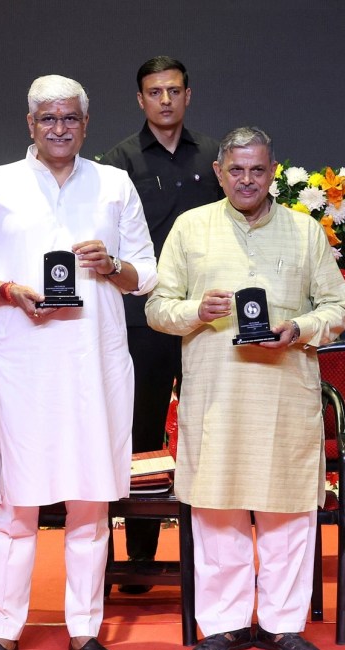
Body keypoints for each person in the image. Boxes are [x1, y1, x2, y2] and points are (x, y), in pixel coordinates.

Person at [0, 74, 157, 650]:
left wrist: (111, 265)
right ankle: (6, 629)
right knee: (17, 506)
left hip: (95, 366)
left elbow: (147, 273)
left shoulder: (113, 184)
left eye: (69, 118)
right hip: (26, 365)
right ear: (30, 124)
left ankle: (84, 628)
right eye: (48, 118)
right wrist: (9, 290)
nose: (59, 128)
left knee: (90, 503)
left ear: (86, 125)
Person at [145, 126, 345, 650]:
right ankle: (225, 623)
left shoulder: (305, 231)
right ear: (219, 173)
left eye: (257, 170)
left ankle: (284, 624)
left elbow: (338, 309)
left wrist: (299, 329)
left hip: (285, 395)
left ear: (273, 171)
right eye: (236, 170)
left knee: (287, 512)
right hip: (216, 397)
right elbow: (157, 309)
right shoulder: (191, 228)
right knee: (217, 510)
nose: (246, 180)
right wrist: (196, 311)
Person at [102, 56, 222, 588]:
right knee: (143, 432)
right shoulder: (118, 162)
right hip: (142, 319)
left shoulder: (216, 157)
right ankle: (140, 560)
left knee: (207, 430)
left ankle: (212, 557)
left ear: (188, 95)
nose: (166, 100)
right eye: (155, 92)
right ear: (141, 99)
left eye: (174, 90)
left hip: (206, 318)